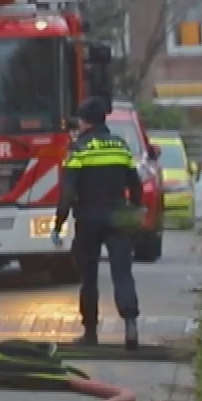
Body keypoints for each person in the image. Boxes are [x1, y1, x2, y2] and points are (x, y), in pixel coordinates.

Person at [51, 98, 144, 349]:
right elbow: (135, 186)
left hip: (89, 219)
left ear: (84, 121)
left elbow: (68, 192)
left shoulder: (79, 149)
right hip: (119, 218)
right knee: (122, 273)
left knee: (88, 278)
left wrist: (58, 224)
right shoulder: (120, 146)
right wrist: (134, 211)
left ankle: (90, 333)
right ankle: (130, 326)